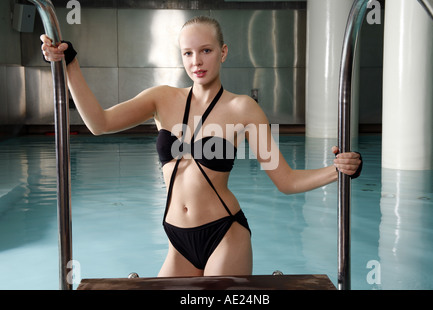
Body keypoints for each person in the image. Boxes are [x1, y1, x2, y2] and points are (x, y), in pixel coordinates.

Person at [41, 16, 362, 277]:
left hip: (224, 233)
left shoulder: (244, 109)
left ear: (223, 52)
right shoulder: (161, 99)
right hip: (177, 240)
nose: (197, 61)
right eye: (188, 53)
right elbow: (100, 124)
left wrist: (337, 171)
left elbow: (286, 181)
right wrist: (70, 64)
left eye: (206, 50)